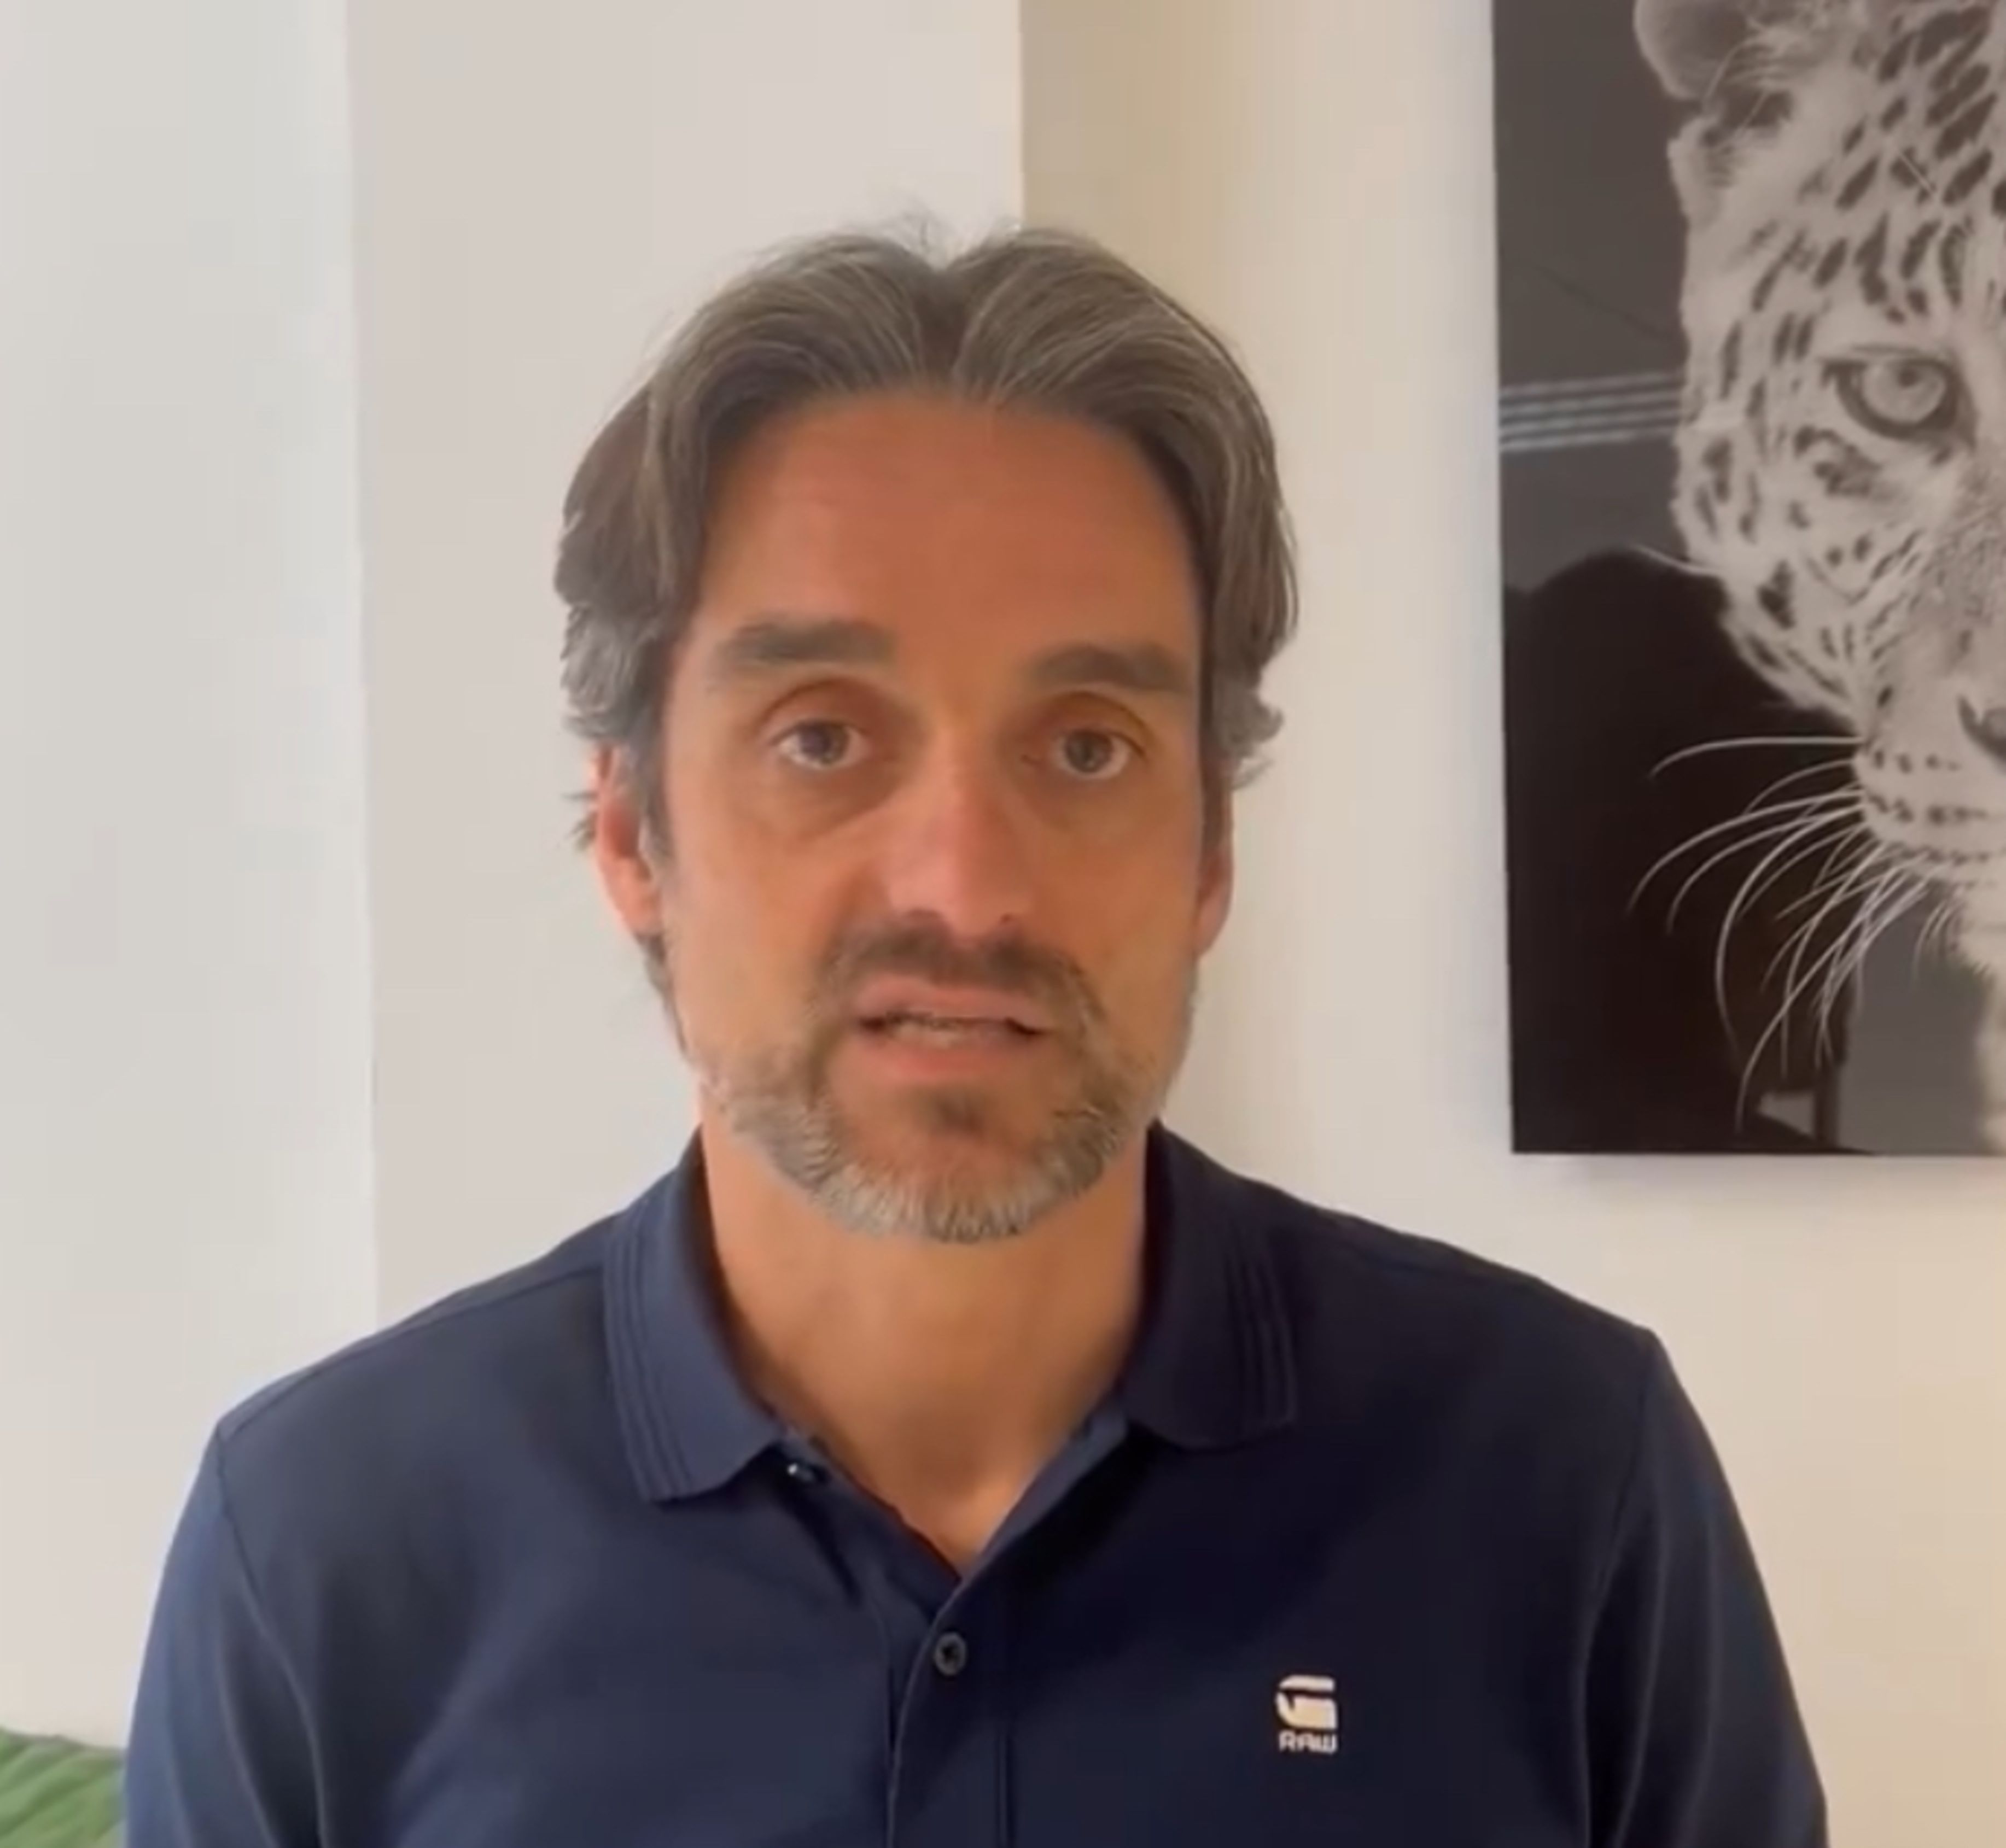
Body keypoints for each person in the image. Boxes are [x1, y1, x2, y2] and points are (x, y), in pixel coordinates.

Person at [125, 226, 1828, 1846]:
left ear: (1209, 850)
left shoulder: (1559, 1473)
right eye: (820, 736)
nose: (964, 883)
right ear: (634, 836)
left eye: (1084, 745)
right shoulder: (326, 1546)